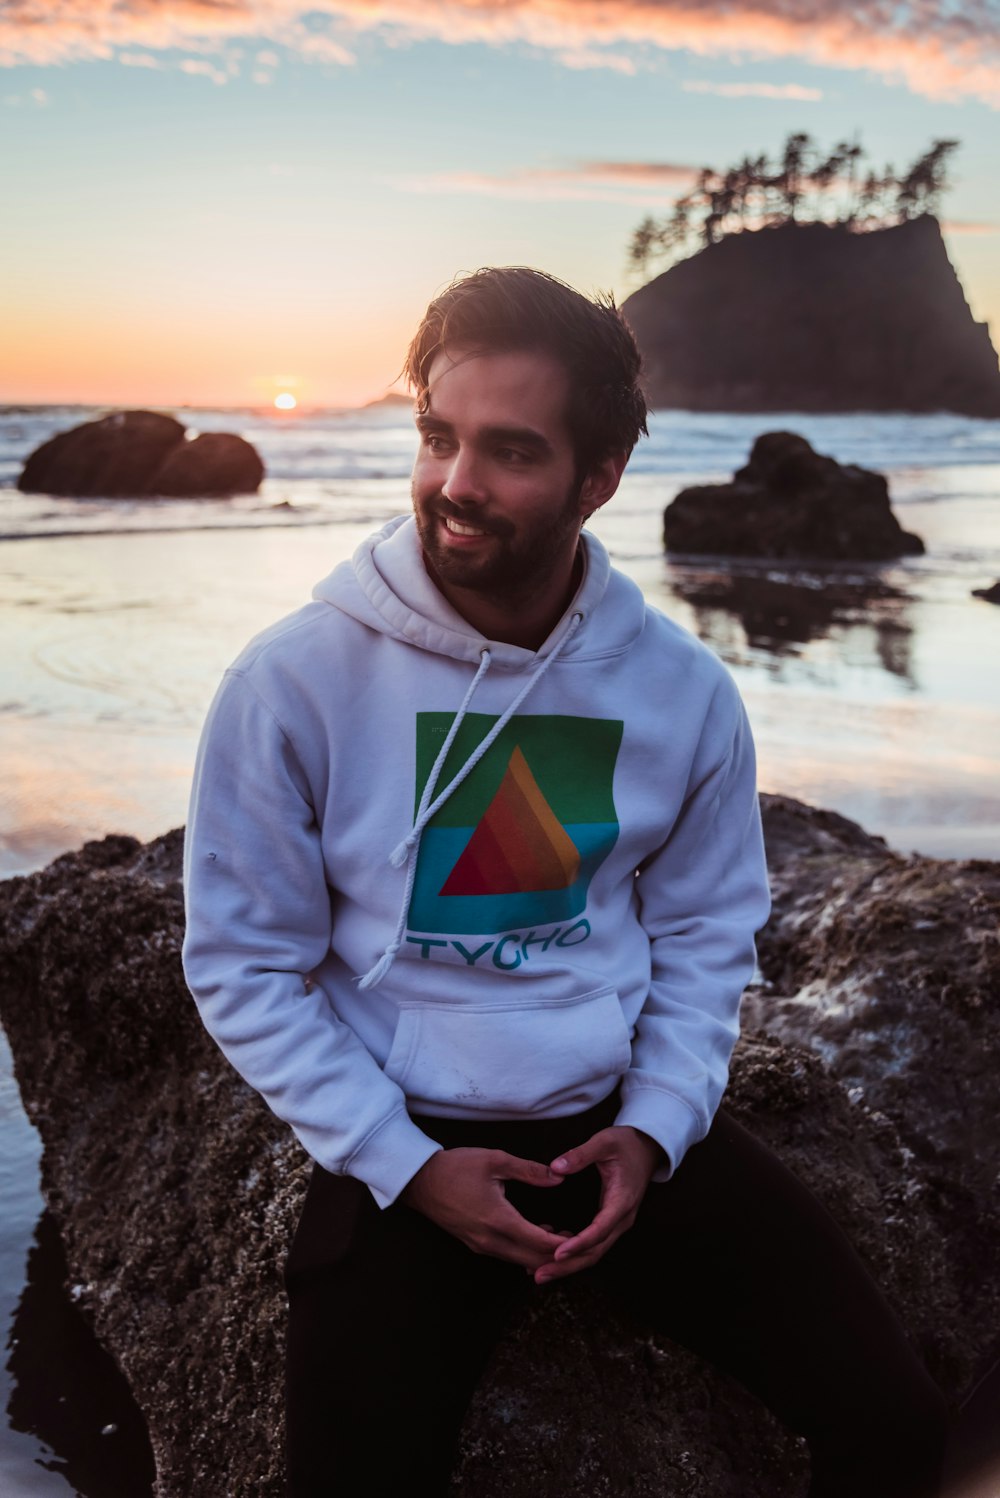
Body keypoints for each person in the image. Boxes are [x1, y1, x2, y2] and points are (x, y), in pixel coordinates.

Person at [182, 267, 948, 1496]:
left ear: (598, 479)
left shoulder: (681, 694)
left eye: (510, 451)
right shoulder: (295, 680)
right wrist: (404, 1161)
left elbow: (705, 938)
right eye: (437, 437)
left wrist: (651, 1130)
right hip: (402, 1145)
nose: (457, 484)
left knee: (901, 1432)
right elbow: (242, 961)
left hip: (614, 1128)